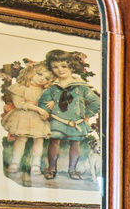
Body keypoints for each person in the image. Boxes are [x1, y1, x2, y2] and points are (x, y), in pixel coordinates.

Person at [38, 49, 99, 180]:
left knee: (75, 143)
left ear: (72, 67)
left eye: (64, 66)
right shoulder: (52, 88)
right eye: (55, 67)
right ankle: (52, 168)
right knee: (54, 141)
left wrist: (86, 115)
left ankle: (72, 170)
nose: (60, 70)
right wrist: (46, 110)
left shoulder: (81, 86)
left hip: (75, 121)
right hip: (57, 120)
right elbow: (42, 102)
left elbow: (95, 102)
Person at [1, 61, 52, 175]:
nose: (41, 79)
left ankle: (36, 165)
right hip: (23, 116)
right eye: (39, 74)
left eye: (46, 78)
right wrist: (38, 109)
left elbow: (47, 104)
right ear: (30, 72)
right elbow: (19, 103)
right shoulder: (20, 87)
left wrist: (50, 105)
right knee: (21, 139)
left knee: (39, 140)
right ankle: (15, 163)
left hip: (39, 119)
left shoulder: (45, 91)